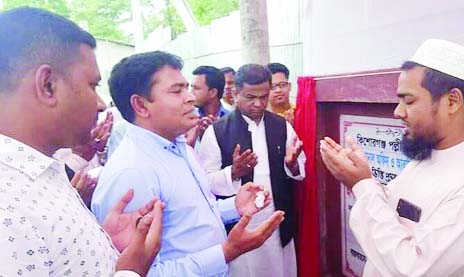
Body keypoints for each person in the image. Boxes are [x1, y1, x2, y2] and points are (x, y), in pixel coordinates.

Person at [0, 7, 163, 276]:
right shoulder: (8, 205)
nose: (100, 104)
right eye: (92, 85)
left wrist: (104, 246)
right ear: (48, 85)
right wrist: (131, 273)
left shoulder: (40, 173)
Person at [91, 51, 285, 276]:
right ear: (141, 106)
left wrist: (234, 206)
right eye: (177, 91)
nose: (190, 97)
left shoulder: (180, 147)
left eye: (188, 88)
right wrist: (226, 252)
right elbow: (141, 273)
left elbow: (190, 218)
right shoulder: (132, 173)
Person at [320, 39, 464, 276]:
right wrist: (364, 176)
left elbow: (414, 267)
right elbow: (393, 216)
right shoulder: (428, 153)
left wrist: (361, 185)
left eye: (409, 101)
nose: (398, 112)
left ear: (452, 101)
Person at [199, 64, 306, 277]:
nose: (258, 104)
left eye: (263, 97)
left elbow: (299, 167)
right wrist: (233, 172)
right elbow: (205, 181)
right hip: (240, 222)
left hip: (276, 217)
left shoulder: (282, 126)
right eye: (250, 97)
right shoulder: (216, 131)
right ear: (235, 93)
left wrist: (292, 165)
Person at [186, 65, 230, 146]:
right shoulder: (187, 119)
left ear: (212, 92)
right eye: (191, 87)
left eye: (196, 88)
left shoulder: (232, 120)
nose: (190, 93)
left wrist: (217, 134)